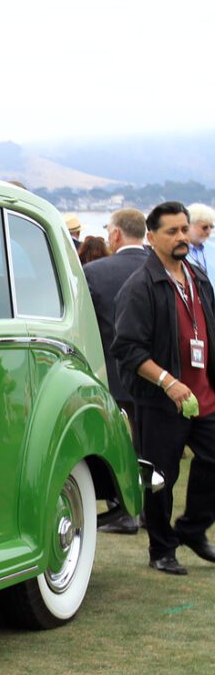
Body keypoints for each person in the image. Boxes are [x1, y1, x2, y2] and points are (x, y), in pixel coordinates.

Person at [111, 201, 215, 575]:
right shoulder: (140, 286)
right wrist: (169, 382)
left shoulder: (199, 279)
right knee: (161, 478)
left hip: (203, 396)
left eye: (185, 229)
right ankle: (161, 548)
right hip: (160, 400)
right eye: (172, 231)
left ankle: (191, 529)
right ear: (152, 238)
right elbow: (127, 349)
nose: (182, 237)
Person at [85, 208, 148, 534]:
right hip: (161, 375)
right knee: (156, 446)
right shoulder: (166, 268)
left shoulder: (95, 272)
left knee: (125, 445)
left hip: (116, 371)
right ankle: (152, 512)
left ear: (117, 234)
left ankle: (126, 512)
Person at [188, 203, 213, 274]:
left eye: (211, 227)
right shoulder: (177, 252)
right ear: (189, 226)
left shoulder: (213, 249)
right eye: (204, 227)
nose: (209, 231)